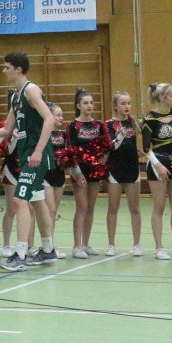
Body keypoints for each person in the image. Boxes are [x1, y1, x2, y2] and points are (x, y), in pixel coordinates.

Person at [0, 52, 59, 271]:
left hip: (36, 154)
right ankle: (48, 250)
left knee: (20, 201)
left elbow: (49, 119)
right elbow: (6, 129)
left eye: (6, 67)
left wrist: (39, 151)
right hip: (26, 155)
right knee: (37, 201)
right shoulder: (15, 96)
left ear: (19, 69)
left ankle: (21, 253)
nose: (3, 71)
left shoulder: (31, 90)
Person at [143, 83, 172, 260]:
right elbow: (146, 148)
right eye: (171, 95)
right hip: (158, 162)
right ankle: (159, 247)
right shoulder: (149, 119)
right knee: (160, 206)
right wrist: (157, 165)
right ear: (162, 98)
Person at [103, 91, 143, 257]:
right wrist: (120, 134)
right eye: (123, 103)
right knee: (113, 207)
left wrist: (140, 151)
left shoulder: (132, 122)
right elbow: (112, 146)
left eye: (129, 103)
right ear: (115, 106)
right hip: (115, 169)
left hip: (132, 168)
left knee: (135, 208)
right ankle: (111, 244)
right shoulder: (109, 124)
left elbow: (140, 141)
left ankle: (137, 244)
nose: (127, 106)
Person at [66, 88, 105, 259]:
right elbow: (71, 150)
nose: (89, 106)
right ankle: (77, 245)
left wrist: (101, 162)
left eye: (91, 103)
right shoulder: (73, 126)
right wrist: (77, 172)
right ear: (78, 106)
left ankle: (86, 243)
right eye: (85, 103)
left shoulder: (99, 125)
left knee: (91, 207)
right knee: (81, 207)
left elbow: (105, 147)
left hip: (95, 169)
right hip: (79, 170)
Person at [42, 102, 68, 258]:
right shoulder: (42, 133)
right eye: (58, 114)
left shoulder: (63, 135)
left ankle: (50, 245)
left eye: (61, 115)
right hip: (46, 175)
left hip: (60, 175)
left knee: (54, 212)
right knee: (50, 210)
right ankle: (48, 247)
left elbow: (68, 155)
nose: (61, 118)